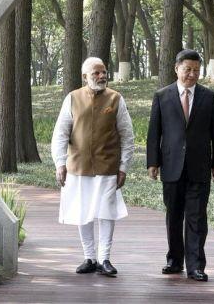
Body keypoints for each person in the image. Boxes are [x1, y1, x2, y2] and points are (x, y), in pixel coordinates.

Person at [146, 49, 214, 282]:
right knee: (174, 215)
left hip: (199, 166)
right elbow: (154, 133)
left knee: (197, 217)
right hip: (171, 166)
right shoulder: (162, 96)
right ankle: (174, 260)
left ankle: (196, 266)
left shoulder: (209, 97)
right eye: (187, 69)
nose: (191, 74)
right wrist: (153, 162)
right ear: (176, 68)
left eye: (196, 70)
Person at [51, 57, 134, 277]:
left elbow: (127, 136)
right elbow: (60, 133)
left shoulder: (116, 99)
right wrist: (60, 163)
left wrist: (124, 166)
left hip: (108, 167)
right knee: (82, 212)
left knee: (106, 213)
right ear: (85, 76)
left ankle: (105, 259)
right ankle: (89, 257)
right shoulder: (72, 98)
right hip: (77, 167)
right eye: (96, 73)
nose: (101, 76)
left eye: (104, 72)